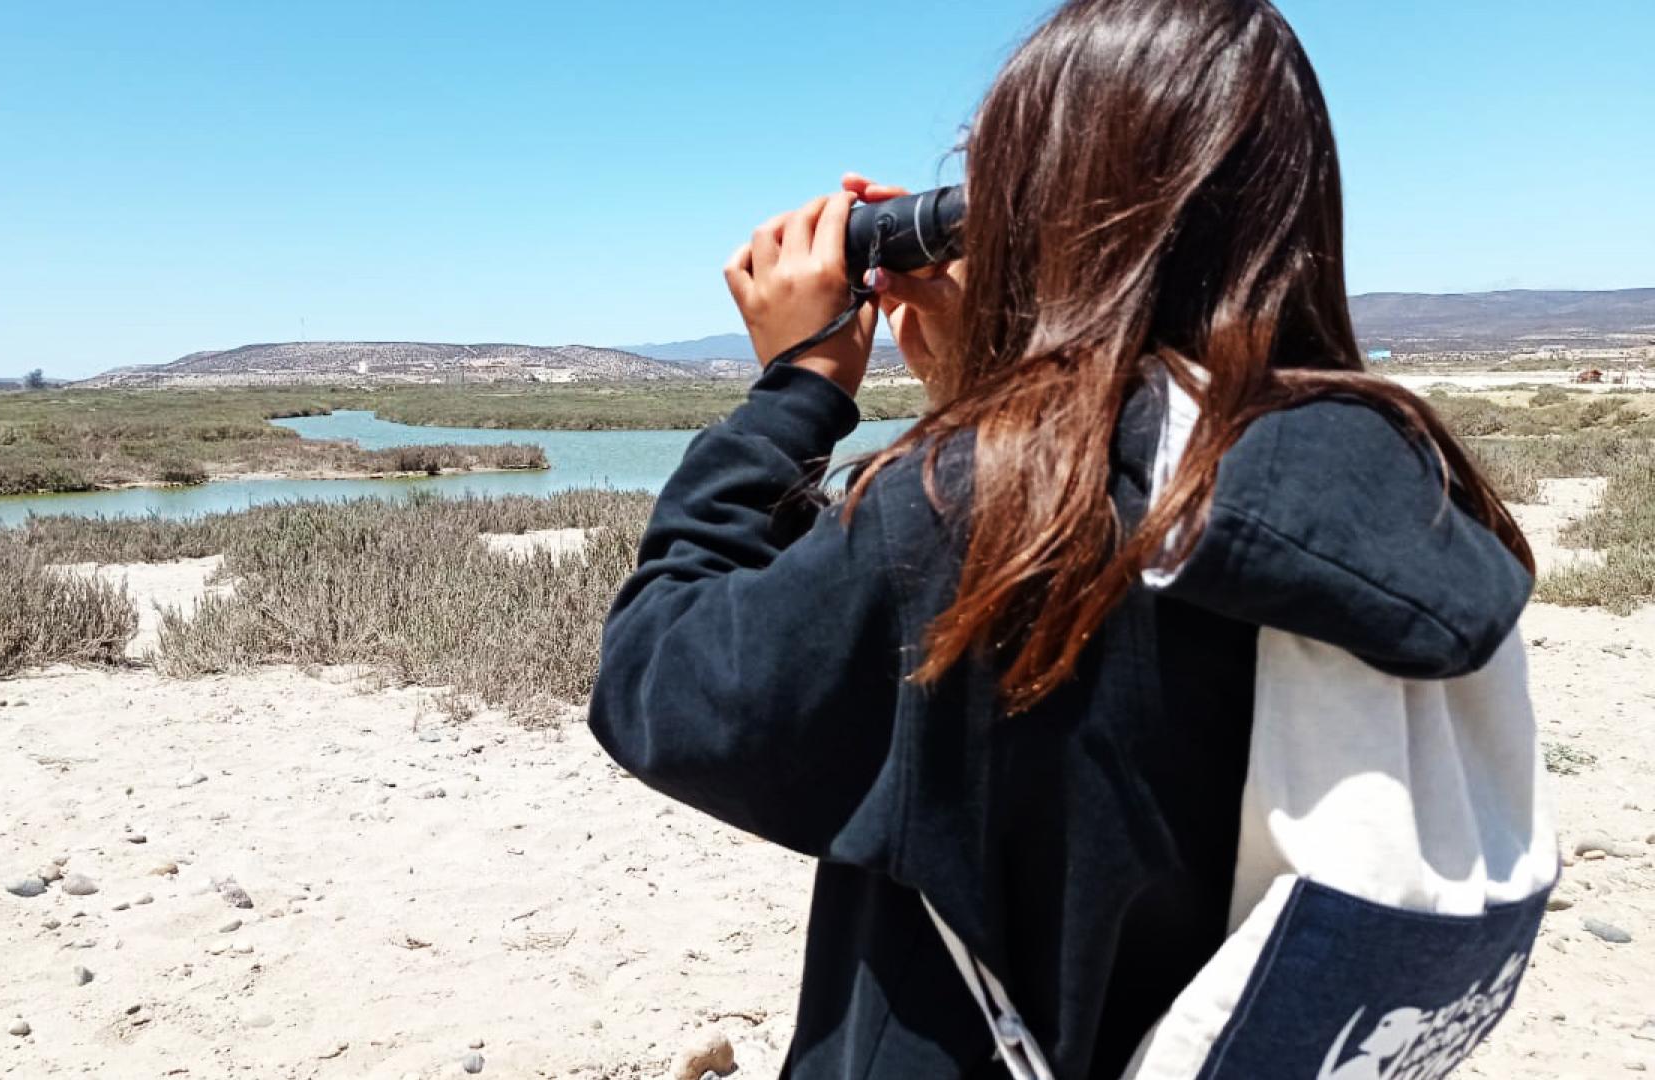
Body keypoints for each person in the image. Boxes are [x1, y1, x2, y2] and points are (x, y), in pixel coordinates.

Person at [588, 1, 1552, 1078]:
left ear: (1047, 217)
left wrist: (796, 387)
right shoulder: (1408, 477)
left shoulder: (987, 513)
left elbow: (664, 683)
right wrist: (995, 383)